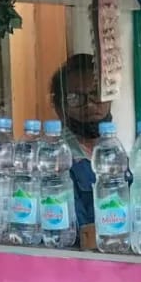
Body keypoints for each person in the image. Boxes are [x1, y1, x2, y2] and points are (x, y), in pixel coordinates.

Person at [48, 54, 112, 240]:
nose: (90, 105)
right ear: (60, 108)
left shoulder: (114, 153)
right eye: (75, 98)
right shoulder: (57, 161)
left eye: (97, 95)